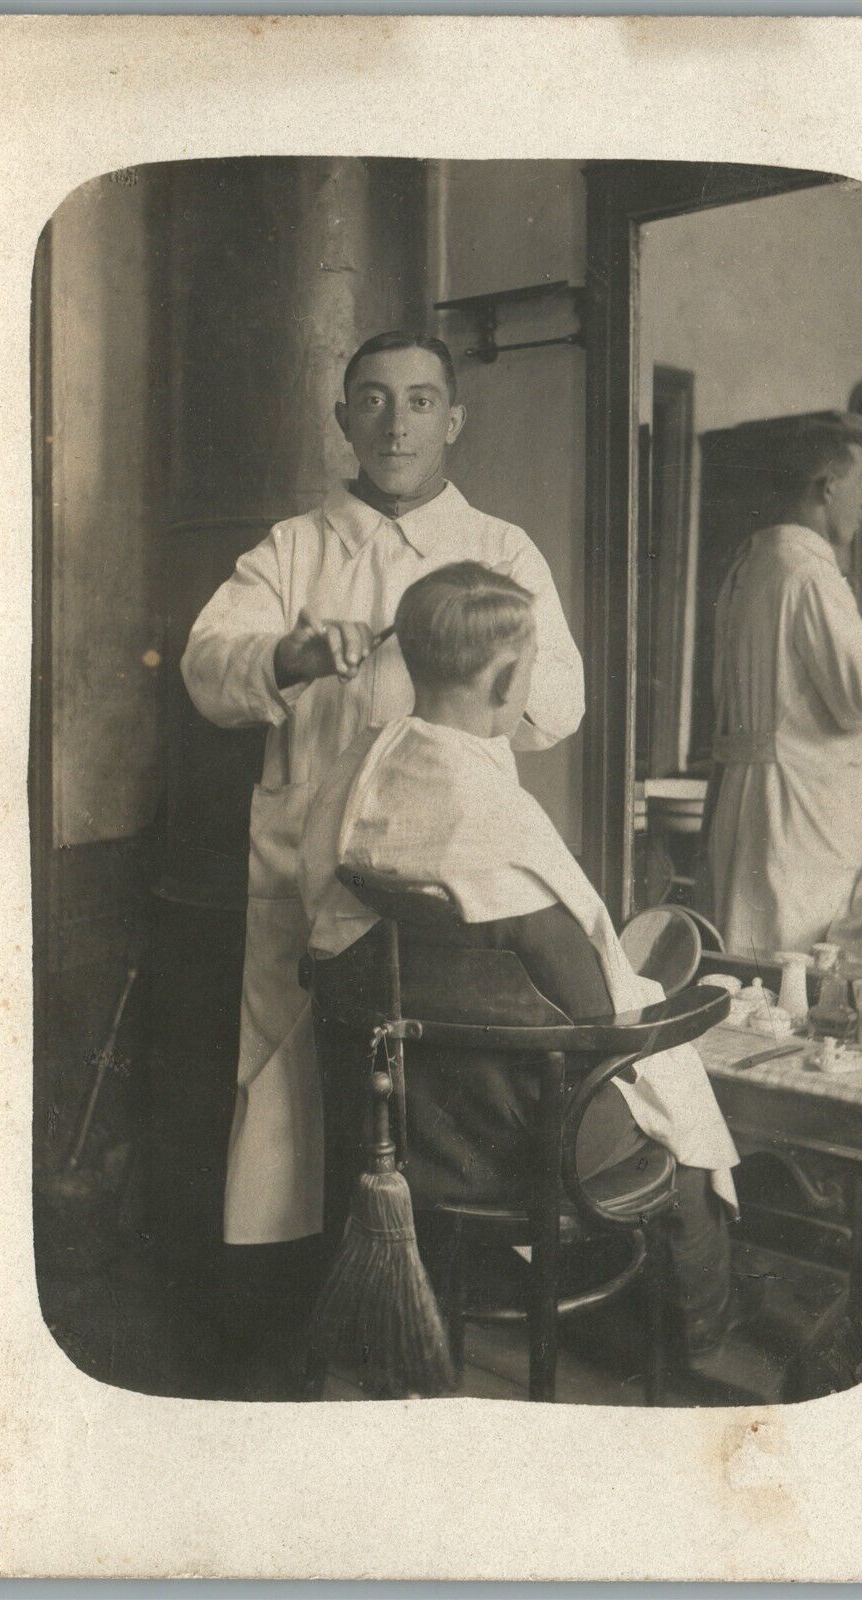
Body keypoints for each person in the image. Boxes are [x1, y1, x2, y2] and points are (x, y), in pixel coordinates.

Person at [181, 333, 584, 1247]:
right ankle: (305, 1285)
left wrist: (472, 651)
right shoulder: (293, 549)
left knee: (437, 1090)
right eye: (371, 399)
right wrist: (293, 653)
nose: (395, 423)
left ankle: (420, 1270)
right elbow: (207, 671)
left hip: (446, 874)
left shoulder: (500, 550)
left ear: (453, 419)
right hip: (306, 863)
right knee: (296, 1085)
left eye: (418, 401)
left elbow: (560, 702)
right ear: (342, 419)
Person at [300, 562, 743, 1358]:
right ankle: (698, 1343)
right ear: (505, 680)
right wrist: (691, 1001)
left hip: (400, 1119)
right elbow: (601, 1010)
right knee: (679, 1127)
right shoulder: (492, 816)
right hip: (524, 1141)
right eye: (530, 667)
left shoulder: (355, 775)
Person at [702, 426, 862, 959]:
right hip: (792, 812)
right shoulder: (808, 573)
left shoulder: (752, 564)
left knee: (747, 955)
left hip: (752, 797)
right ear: (828, 487)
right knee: (788, 966)